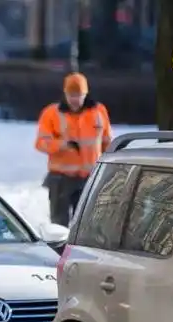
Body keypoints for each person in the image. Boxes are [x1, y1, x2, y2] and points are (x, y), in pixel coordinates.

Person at [35, 72, 112, 226]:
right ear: (65, 94)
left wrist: (108, 167)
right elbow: (40, 143)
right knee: (59, 224)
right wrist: (62, 144)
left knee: (85, 224)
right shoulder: (51, 113)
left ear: (85, 94)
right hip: (60, 179)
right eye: (71, 95)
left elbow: (107, 142)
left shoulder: (98, 112)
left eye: (79, 95)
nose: (75, 100)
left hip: (89, 178)